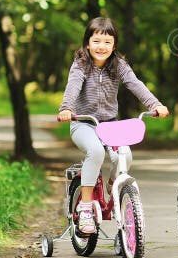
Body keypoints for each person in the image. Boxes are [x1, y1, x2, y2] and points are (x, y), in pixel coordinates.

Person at [58, 17, 169, 235]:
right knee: (96, 151)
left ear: (114, 45)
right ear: (87, 43)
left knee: (124, 156)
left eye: (107, 42)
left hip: (109, 124)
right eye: (97, 41)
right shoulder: (81, 64)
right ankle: (87, 207)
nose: (102, 47)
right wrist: (66, 108)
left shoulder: (118, 65)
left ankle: (114, 186)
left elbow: (135, 84)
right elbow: (73, 86)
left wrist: (154, 104)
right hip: (83, 123)